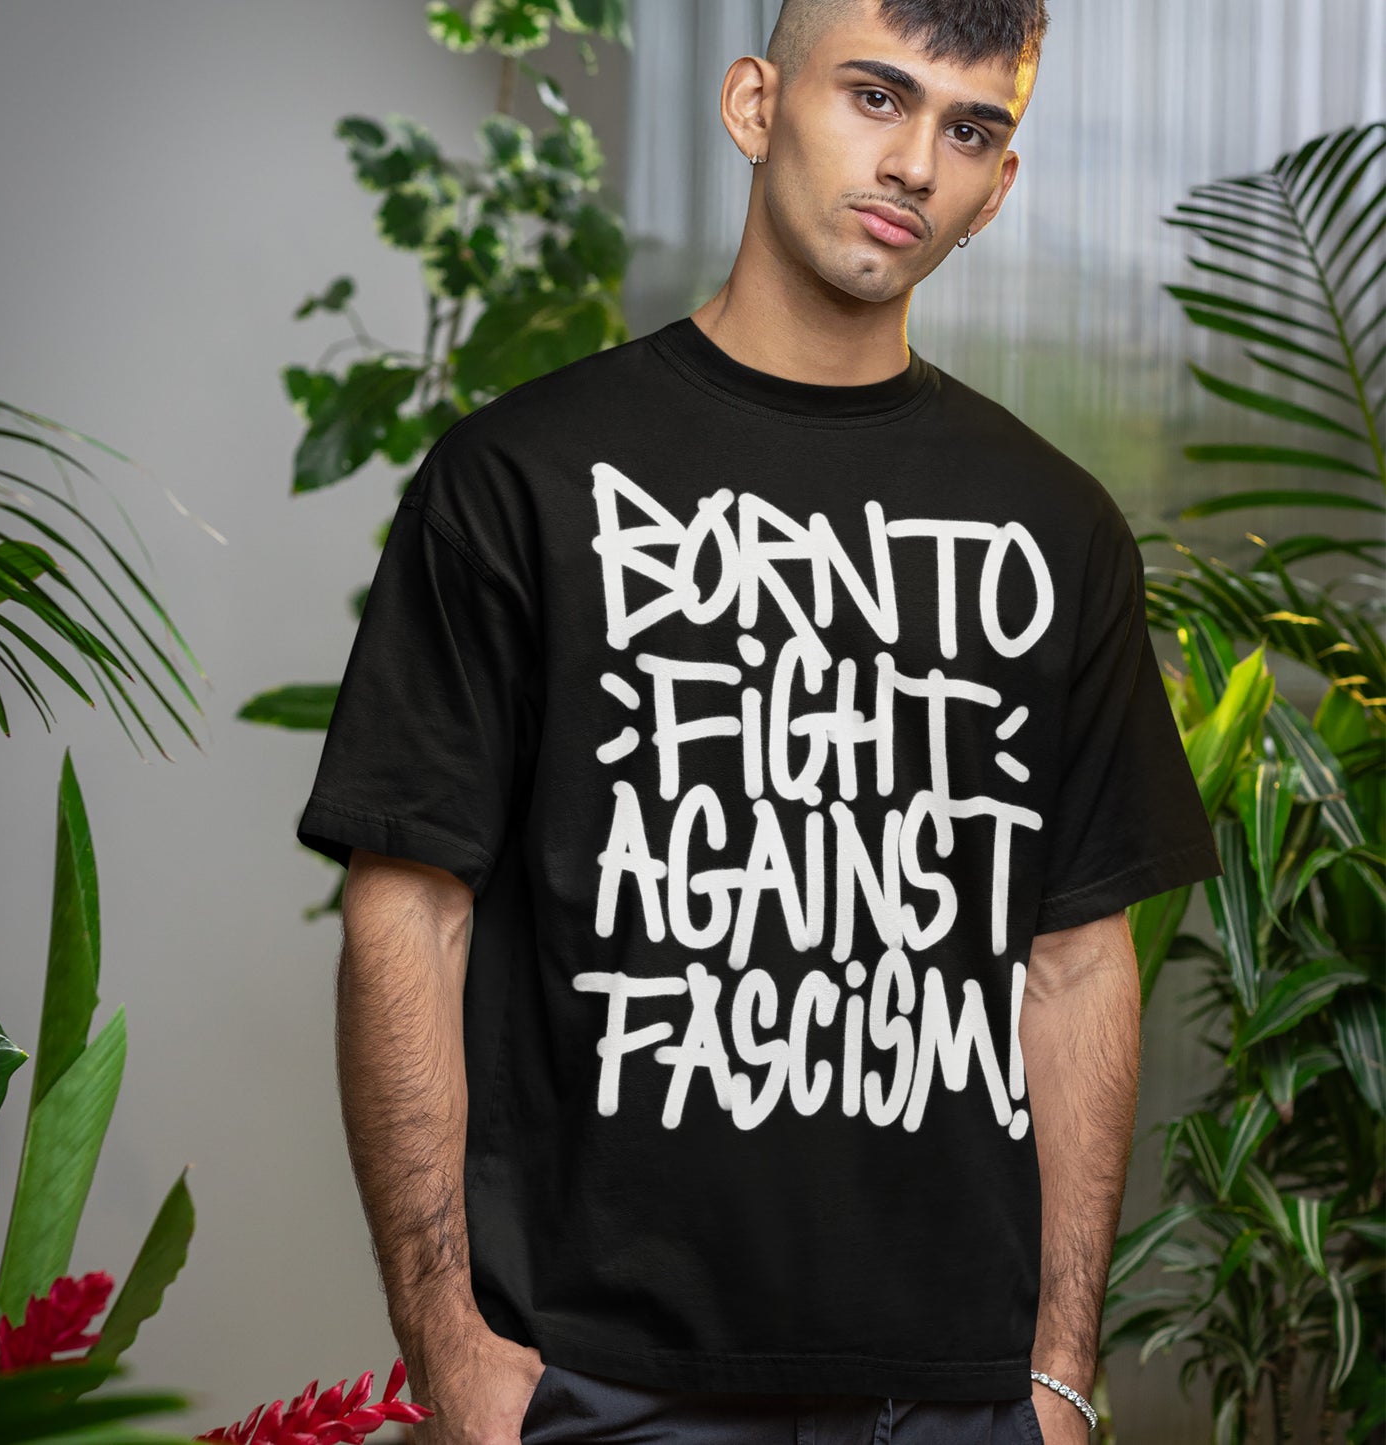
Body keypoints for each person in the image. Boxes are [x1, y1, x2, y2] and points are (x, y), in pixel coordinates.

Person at [295, 0, 1223, 1440]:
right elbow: (406, 914)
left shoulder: (1054, 525)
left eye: (969, 128)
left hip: (955, 1394)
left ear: (999, 186)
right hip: (596, 1381)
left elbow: (1074, 957)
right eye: (874, 96)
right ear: (751, 106)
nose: (915, 160)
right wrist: (449, 1347)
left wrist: (1055, 1371)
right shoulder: (521, 480)